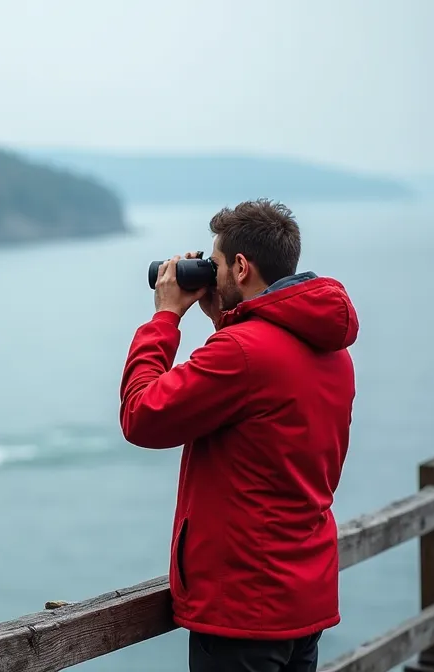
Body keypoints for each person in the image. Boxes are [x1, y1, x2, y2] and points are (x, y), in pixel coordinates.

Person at [119, 199, 359, 672]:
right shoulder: (331, 351)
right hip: (301, 597)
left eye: (217, 263)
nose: (211, 271)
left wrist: (165, 318)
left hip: (242, 608)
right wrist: (222, 318)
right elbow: (257, 409)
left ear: (242, 266)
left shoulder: (242, 354)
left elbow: (141, 415)